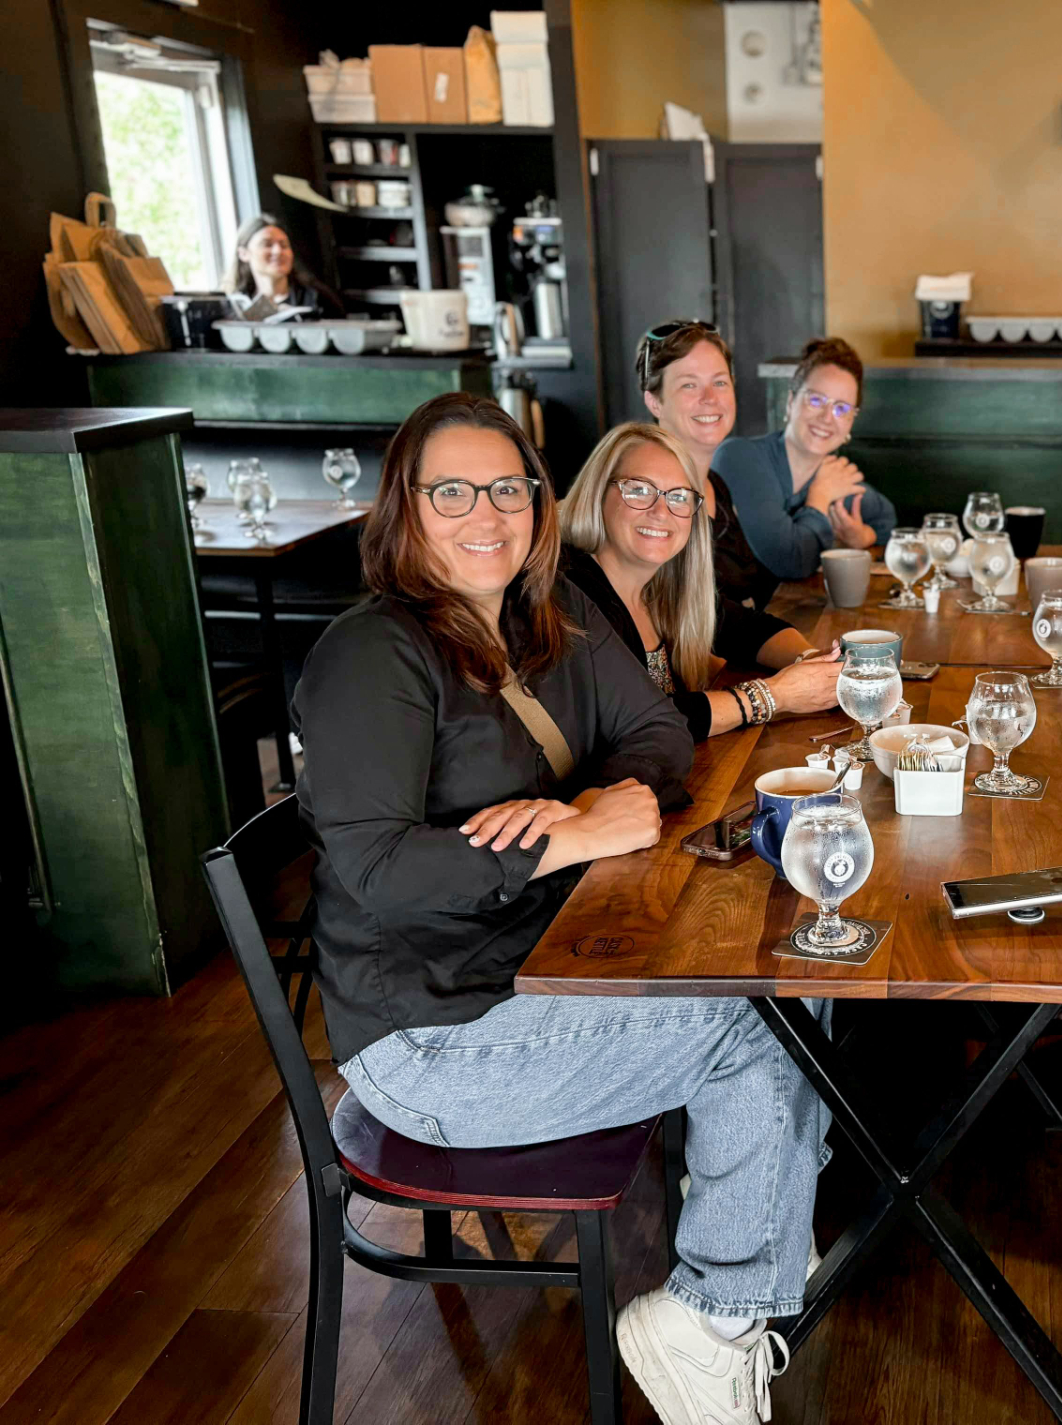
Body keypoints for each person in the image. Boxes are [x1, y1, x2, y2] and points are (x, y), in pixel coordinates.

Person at [293, 392, 818, 1422]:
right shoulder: (375, 656)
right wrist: (571, 837)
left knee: (794, 977)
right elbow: (382, 870)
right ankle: (712, 1319)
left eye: (507, 488)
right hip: (431, 1036)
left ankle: (766, 1215)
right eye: (451, 491)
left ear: (539, 504)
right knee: (763, 1019)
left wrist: (595, 802)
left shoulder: (549, 622)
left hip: (542, 967)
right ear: (404, 508)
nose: (484, 513)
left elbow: (658, 738)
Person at [560, 420, 843, 742]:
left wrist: (810, 663)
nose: (661, 511)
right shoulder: (573, 591)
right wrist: (776, 695)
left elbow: (749, 629)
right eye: (639, 490)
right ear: (597, 494)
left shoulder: (662, 583)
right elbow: (637, 718)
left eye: (679, 496)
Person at [712, 336, 898, 581]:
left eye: (841, 409)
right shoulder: (739, 458)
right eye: (815, 400)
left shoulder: (834, 476)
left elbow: (886, 519)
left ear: (851, 422)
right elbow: (790, 560)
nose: (827, 418)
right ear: (790, 403)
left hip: (788, 612)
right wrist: (820, 498)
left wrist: (864, 536)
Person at [637, 319, 779, 611]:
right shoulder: (648, 500)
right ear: (654, 402)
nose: (710, 398)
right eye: (689, 384)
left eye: (719, 382)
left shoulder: (716, 486)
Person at [224, 214, 344, 316]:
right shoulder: (233, 306)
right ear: (243, 254)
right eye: (267, 244)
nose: (278, 251)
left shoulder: (318, 298)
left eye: (284, 245)